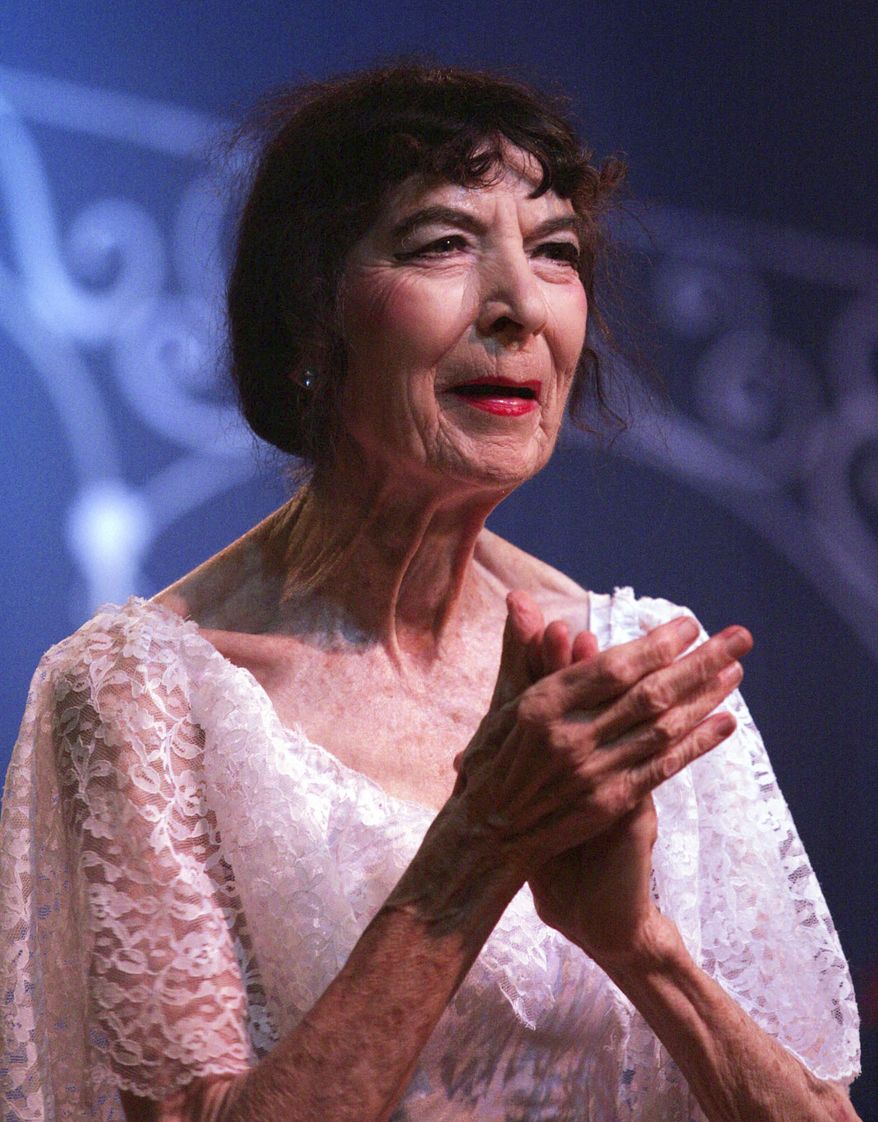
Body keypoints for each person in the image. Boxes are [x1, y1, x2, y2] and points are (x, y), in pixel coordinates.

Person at [0, 64, 860, 1122]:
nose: (516, 309)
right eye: (443, 244)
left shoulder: (638, 668)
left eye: (553, 252)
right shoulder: (144, 693)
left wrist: (641, 951)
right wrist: (479, 846)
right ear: (311, 314)